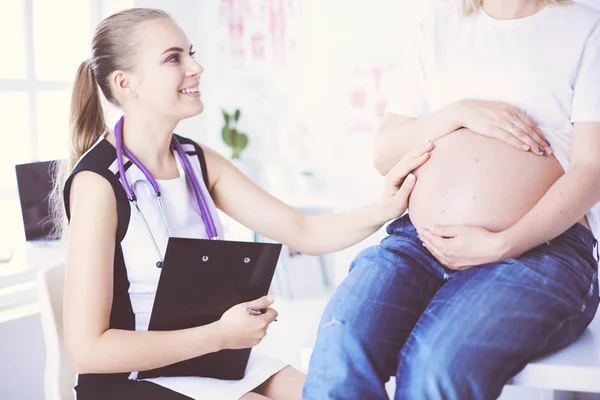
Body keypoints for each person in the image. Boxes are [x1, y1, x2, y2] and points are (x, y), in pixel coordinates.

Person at [51, 7, 432, 400]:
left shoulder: (195, 160)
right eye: (173, 58)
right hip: (131, 379)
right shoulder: (98, 182)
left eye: (191, 52)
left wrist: (387, 206)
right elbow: (88, 351)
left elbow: (303, 231)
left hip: (208, 359)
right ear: (125, 82)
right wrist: (219, 335)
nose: (196, 67)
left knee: (335, 392)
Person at [303, 0, 600, 399]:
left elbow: (592, 168)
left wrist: (505, 242)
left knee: (439, 364)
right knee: (341, 350)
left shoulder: (587, 28)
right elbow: (385, 153)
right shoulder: (437, 29)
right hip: (419, 243)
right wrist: (458, 112)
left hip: (538, 252)